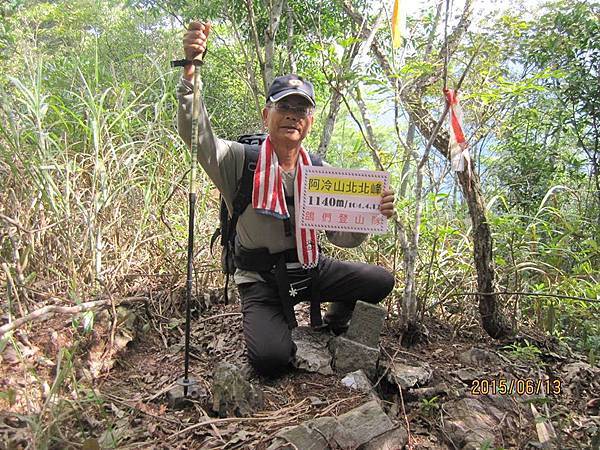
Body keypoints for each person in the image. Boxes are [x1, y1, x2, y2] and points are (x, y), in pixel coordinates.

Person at [177, 21, 395, 376]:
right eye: (284, 107)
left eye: (302, 110)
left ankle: (335, 315)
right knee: (271, 360)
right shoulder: (238, 161)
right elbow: (196, 136)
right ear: (267, 116)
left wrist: (371, 214)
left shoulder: (321, 174)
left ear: (309, 123)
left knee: (380, 280)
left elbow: (343, 239)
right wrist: (191, 68)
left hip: (311, 269)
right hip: (261, 279)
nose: (293, 115)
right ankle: (275, 323)